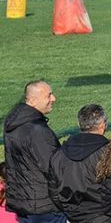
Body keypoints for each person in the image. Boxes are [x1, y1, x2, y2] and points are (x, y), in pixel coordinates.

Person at [3, 80, 65, 223]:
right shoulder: (37, 130)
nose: (53, 99)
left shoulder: (13, 125)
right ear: (33, 100)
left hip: (23, 204)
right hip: (44, 207)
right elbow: (54, 169)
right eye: (49, 95)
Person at [48, 104, 110, 223]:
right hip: (104, 216)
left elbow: (53, 192)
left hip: (73, 216)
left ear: (79, 124)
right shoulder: (109, 153)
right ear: (103, 125)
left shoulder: (58, 155)